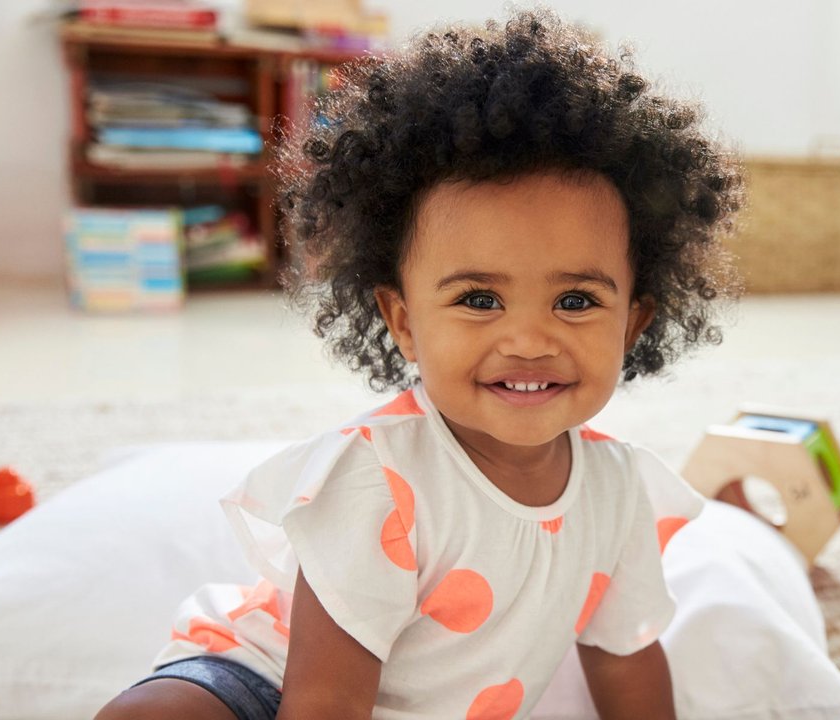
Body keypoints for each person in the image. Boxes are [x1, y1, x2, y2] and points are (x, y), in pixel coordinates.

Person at [96, 8, 742, 720]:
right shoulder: (380, 482)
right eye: (478, 298)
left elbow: (627, 661)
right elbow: (325, 702)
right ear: (403, 320)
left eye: (577, 300)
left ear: (635, 322)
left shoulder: (619, 491)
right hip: (263, 682)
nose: (529, 340)